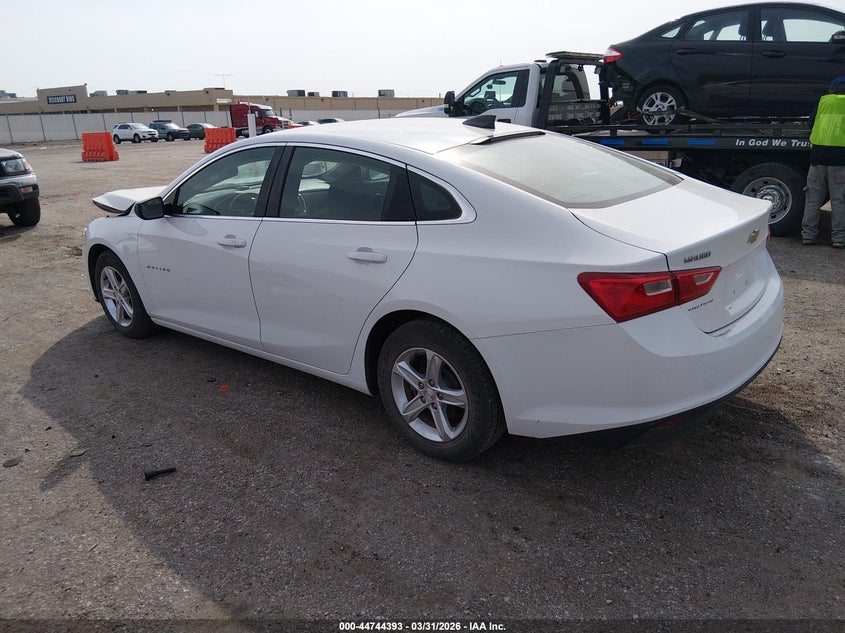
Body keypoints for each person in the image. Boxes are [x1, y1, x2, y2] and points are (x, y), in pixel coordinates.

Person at [802, 75, 845, 248]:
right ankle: (839, 239)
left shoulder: (823, 101)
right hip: (840, 159)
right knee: (839, 200)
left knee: (813, 198)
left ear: (831, 89)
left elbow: (810, 123)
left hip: (818, 157)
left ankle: (808, 236)